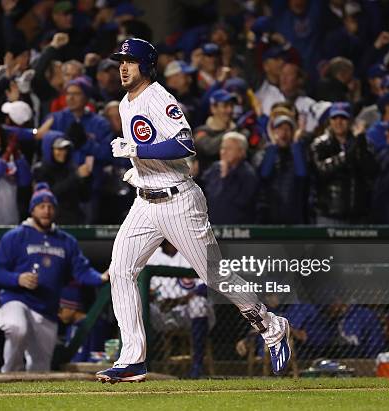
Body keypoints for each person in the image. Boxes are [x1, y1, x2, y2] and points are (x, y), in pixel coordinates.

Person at [95, 38, 291, 384]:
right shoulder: (126, 103)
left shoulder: (160, 98)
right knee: (121, 269)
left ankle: (271, 326)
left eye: (130, 61)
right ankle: (133, 358)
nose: (123, 67)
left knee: (215, 277)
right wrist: (139, 168)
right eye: (120, 61)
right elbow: (152, 153)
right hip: (145, 201)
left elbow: (185, 144)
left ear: (147, 65)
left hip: (179, 201)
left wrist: (137, 149)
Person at [0, 183, 109, 372]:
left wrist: (101, 277)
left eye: (50, 206)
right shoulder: (15, 236)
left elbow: (81, 271)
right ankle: (9, 371)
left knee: (40, 369)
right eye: (41, 206)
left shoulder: (66, 241)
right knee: (16, 327)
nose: (46, 211)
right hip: (17, 300)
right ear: (32, 209)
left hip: (46, 308)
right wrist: (18, 279)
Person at [147, 240, 215, 379]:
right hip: (162, 312)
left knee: (199, 303)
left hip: (188, 312)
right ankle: (142, 362)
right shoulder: (151, 255)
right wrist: (151, 295)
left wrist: (178, 301)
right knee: (140, 307)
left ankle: (197, 366)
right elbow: (143, 286)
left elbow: (206, 286)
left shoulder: (193, 253)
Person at [310, 103, 377, 225]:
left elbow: (371, 171)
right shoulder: (320, 144)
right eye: (334, 118)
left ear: (350, 120)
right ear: (329, 121)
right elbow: (322, 171)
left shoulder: (363, 142)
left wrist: (360, 144)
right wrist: (348, 154)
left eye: (343, 118)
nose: (338, 122)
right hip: (330, 214)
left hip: (358, 215)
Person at [254, 115, 308, 224]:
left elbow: (301, 174)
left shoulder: (299, 152)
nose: (284, 133)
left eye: (287, 129)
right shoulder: (264, 152)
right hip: (268, 215)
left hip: (293, 215)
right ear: (273, 132)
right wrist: (273, 145)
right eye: (279, 129)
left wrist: (296, 142)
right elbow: (264, 174)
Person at [200, 132, 258, 224]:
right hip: (212, 228)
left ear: (241, 152)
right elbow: (203, 193)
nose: (223, 151)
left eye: (229, 148)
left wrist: (225, 177)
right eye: (222, 148)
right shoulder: (214, 169)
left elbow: (238, 204)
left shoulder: (248, 174)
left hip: (238, 229)